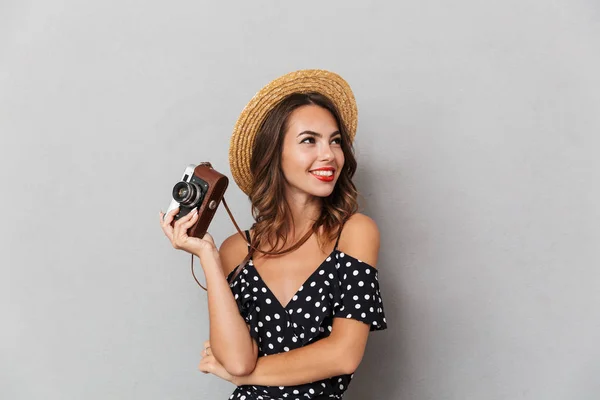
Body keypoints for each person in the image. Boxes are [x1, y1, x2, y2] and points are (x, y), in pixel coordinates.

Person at [159, 69, 387, 400]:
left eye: (335, 141)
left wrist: (245, 377)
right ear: (274, 154)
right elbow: (237, 359)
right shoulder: (237, 249)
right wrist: (207, 255)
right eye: (309, 140)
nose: (328, 154)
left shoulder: (354, 232)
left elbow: (343, 355)